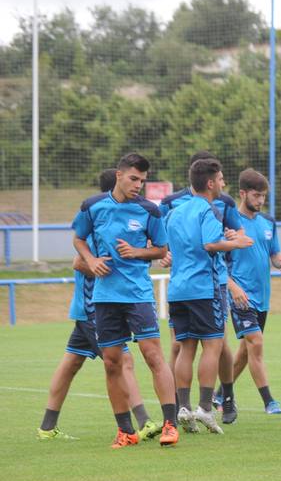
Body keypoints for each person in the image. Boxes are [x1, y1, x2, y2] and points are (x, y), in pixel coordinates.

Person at [37, 168, 156, 442]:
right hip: (94, 308)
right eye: (134, 182)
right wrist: (99, 265)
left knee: (71, 363)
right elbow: (79, 261)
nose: (138, 189)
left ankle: (46, 427)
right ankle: (144, 421)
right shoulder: (99, 221)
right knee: (123, 359)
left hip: (86, 308)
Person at [72, 153, 179, 448]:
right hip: (105, 297)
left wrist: (137, 253)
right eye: (134, 179)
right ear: (118, 175)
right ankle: (125, 431)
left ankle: (170, 424)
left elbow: (161, 250)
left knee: (153, 356)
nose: (138, 185)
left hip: (138, 295)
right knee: (111, 363)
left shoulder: (149, 211)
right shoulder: (92, 207)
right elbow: (78, 239)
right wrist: (91, 260)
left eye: (142, 181)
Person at [166, 158, 254, 436]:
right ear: (210, 183)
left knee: (185, 347)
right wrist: (236, 242)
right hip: (205, 287)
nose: (224, 183)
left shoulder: (175, 211)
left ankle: (183, 407)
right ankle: (205, 408)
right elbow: (209, 244)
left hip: (178, 288)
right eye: (221, 179)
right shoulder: (208, 211)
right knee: (213, 346)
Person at [225, 168, 281, 415]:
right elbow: (218, 261)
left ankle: (221, 394)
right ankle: (269, 401)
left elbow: (275, 252)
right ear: (242, 193)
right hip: (241, 296)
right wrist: (233, 287)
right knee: (256, 342)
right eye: (256, 195)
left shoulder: (268, 222)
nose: (261, 201)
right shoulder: (229, 223)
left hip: (262, 297)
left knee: (245, 351)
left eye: (263, 196)